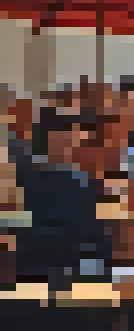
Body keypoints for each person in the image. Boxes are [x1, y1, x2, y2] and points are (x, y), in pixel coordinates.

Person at [14, 108, 108, 283]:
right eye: (72, 138)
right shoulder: (26, 177)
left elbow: (94, 234)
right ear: (51, 137)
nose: (77, 145)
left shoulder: (80, 179)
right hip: (41, 273)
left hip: (77, 270)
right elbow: (28, 235)